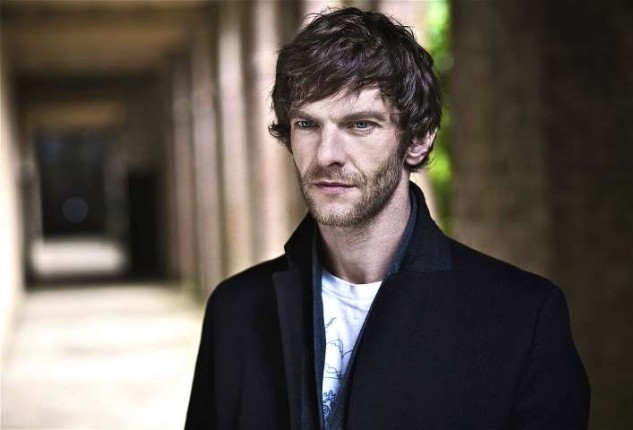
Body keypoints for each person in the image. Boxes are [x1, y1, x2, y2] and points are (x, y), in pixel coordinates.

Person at [185, 7, 589, 429]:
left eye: (360, 125)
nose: (327, 155)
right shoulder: (235, 310)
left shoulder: (521, 317)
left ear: (418, 139)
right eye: (307, 124)